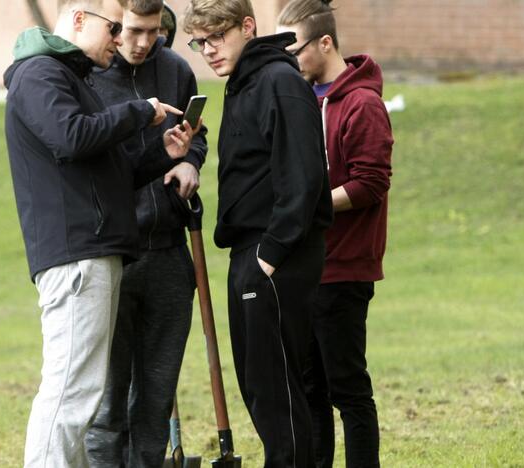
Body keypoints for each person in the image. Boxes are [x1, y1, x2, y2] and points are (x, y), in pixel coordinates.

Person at [2, 0, 199, 465]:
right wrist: (137, 113)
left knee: (80, 393)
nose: (118, 39)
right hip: (75, 256)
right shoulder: (39, 74)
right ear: (77, 20)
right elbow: (70, 137)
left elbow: (107, 172)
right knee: (71, 395)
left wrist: (162, 153)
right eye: (112, 28)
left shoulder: (70, 78)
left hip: (93, 251)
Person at [182, 0, 333, 466]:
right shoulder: (242, 85)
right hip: (249, 252)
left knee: (278, 389)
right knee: (261, 386)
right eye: (200, 42)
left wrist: (270, 255)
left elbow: (304, 177)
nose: (209, 50)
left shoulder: (279, 81)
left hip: (274, 257)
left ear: (247, 26)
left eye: (218, 37)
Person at [83, 0, 209, 466]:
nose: (142, 43)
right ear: (114, 21)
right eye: (133, 30)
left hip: (170, 256)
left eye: (153, 31)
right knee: (107, 404)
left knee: (155, 404)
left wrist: (190, 161)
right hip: (113, 255)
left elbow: (196, 132)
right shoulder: (88, 74)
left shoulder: (175, 68)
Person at [277, 0, 394, 466]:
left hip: (344, 270)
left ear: (325, 42)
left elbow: (371, 182)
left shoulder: (363, 104)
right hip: (304, 269)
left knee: (348, 391)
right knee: (310, 390)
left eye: (296, 49)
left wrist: (311, 206)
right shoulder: (303, 98)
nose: (291, 61)